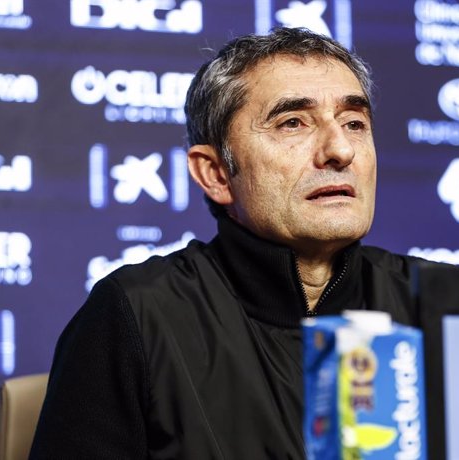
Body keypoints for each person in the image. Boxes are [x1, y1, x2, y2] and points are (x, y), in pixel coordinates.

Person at [30, 27, 422, 459]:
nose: (340, 149)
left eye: (354, 123)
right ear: (216, 173)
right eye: (293, 123)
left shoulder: (439, 304)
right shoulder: (138, 314)